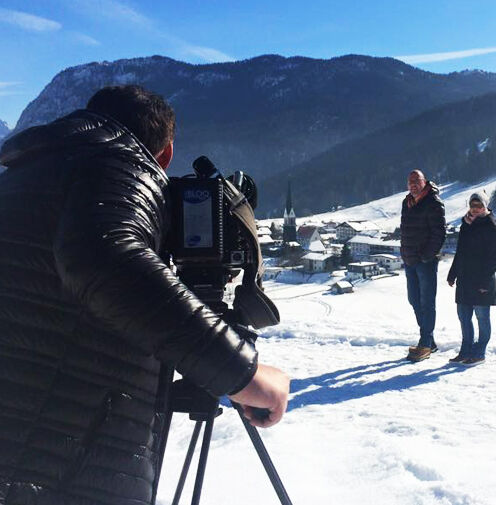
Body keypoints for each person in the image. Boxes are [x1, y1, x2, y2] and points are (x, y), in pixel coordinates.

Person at [0, 85, 289, 505]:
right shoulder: (117, 162)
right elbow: (105, 258)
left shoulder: (28, 174)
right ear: (166, 154)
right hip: (66, 461)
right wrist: (242, 374)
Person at [447, 191, 496, 365]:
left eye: (479, 205)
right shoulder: (466, 224)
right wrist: (452, 273)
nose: (475, 209)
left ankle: (479, 352)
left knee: (482, 318)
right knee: (464, 317)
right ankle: (466, 351)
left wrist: (485, 282)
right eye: (472, 205)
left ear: (485, 206)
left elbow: (493, 258)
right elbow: (460, 251)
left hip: (481, 280)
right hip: (464, 278)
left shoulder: (491, 225)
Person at [400, 169, 446, 362]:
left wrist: (426, 256)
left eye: (416, 181)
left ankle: (425, 344)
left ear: (424, 181)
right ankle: (430, 341)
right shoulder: (406, 202)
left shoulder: (434, 203)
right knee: (414, 299)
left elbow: (439, 234)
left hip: (425, 262)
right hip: (410, 260)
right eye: (410, 182)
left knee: (427, 302)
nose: (413, 185)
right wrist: (405, 253)